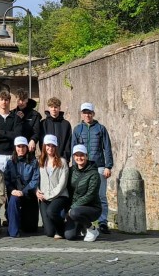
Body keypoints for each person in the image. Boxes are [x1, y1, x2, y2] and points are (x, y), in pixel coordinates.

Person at [72, 102, 113, 233]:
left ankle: (103, 222)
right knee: (83, 194)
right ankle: (84, 222)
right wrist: (74, 167)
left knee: (101, 195)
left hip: (98, 165)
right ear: (81, 114)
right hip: (82, 167)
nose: (87, 115)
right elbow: (73, 148)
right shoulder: (77, 129)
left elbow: (107, 147)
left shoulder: (101, 128)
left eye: (89, 112)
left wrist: (108, 166)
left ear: (93, 114)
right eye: (84, 112)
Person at [64, 144, 102, 242]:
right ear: (73, 157)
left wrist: (72, 208)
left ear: (86, 156)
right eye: (76, 155)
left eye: (82, 155)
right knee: (69, 236)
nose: (79, 158)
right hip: (75, 208)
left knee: (74, 212)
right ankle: (81, 226)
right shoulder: (71, 170)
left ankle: (92, 229)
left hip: (92, 208)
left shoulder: (94, 174)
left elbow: (90, 195)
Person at [4, 136, 39, 237]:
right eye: (19, 146)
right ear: (15, 147)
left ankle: (19, 221)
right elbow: (7, 180)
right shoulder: (10, 163)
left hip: (28, 195)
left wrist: (23, 191)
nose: (21, 149)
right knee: (14, 199)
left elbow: (35, 180)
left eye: (23, 146)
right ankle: (13, 231)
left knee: (30, 228)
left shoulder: (33, 162)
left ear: (27, 148)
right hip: (15, 194)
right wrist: (12, 190)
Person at [37, 134, 70, 239]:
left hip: (60, 196)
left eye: (53, 146)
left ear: (56, 147)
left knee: (51, 211)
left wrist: (49, 195)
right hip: (44, 196)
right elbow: (36, 179)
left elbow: (62, 184)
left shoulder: (63, 162)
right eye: (48, 145)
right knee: (49, 233)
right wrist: (37, 191)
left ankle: (63, 229)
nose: (50, 148)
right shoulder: (40, 162)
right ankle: (59, 226)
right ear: (44, 146)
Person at [0, 90, 23, 170]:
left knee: (12, 180)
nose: (4, 102)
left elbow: (17, 136)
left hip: (12, 154)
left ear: (9, 101)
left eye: (6, 100)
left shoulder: (16, 117)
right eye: (2, 99)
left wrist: (0, 132)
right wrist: (10, 135)